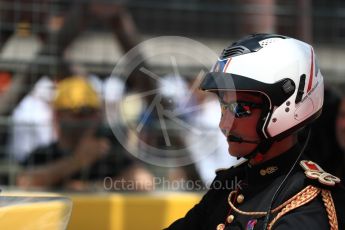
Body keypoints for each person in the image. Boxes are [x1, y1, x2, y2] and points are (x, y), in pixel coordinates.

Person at [166, 34, 345, 229]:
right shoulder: (231, 183)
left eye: (240, 108)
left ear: (286, 106)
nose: (224, 124)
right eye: (224, 105)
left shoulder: (309, 205)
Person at [17, 76, 153, 191]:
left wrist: (91, 187)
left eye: (90, 113)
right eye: (76, 113)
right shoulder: (44, 154)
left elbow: (144, 181)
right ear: (58, 115)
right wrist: (77, 161)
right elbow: (24, 182)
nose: (84, 120)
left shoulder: (107, 153)